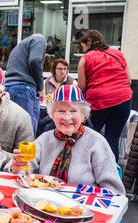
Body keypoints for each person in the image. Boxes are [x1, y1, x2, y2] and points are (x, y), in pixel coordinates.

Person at [9, 85, 125, 194]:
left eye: (73, 111)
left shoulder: (96, 142)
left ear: (83, 115)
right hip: (44, 204)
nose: (67, 117)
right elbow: (23, 170)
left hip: (83, 208)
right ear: (52, 115)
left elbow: (115, 191)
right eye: (61, 111)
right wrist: (16, 167)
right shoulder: (44, 139)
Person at [77, 29, 132, 162]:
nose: (83, 48)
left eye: (82, 45)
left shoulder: (85, 58)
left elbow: (82, 86)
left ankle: (88, 170)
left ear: (88, 42)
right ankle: (112, 174)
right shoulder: (118, 54)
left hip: (98, 101)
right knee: (112, 139)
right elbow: (129, 81)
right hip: (123, 100)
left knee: (89, 137)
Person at [5, 34, 47, 135]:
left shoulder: (23, 45)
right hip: (23, 89)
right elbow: (35, 60)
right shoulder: (40, 39)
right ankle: (25, 151)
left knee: (13, 129)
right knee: (28, 130)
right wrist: (41, 87)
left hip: (10, 87)